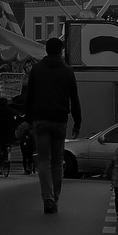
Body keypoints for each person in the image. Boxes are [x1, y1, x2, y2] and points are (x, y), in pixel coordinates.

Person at [21, 36, 81, 214]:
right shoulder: (68, 71)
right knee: (57, 161)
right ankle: (55, 197)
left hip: (41, 119)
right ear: (61, 51)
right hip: (60, 119)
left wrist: (29, 120)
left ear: (46, 50)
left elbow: (29, 96)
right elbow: (74, 98)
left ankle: (47, 197)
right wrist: (77, 121)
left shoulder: (37, 70)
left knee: (43, 160)